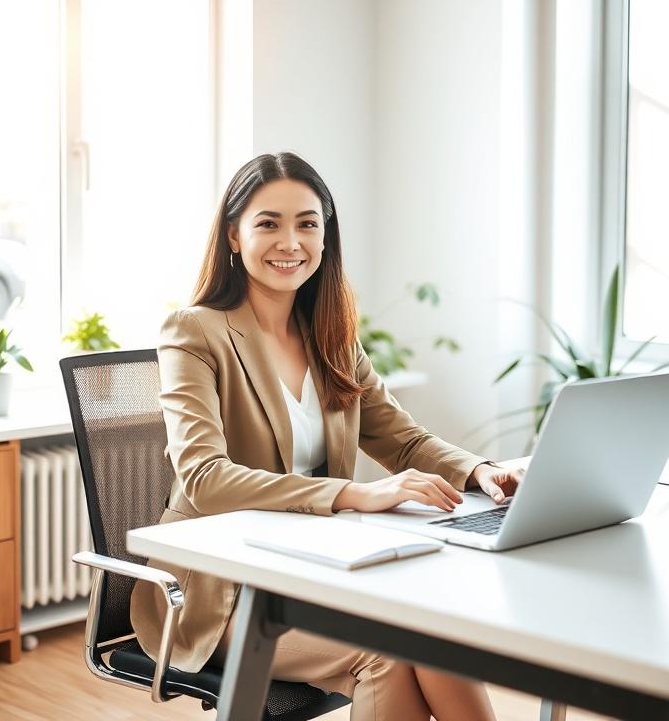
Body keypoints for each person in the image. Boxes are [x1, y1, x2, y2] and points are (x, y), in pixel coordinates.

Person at [131, 152, 524, 721]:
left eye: (307, 224)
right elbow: (203, 478)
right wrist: (352, 494)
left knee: (436, 631)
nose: (290, 241)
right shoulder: (195, 331)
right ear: (234, 238)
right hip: (220, 591)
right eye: (268, 223)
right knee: (387, 653)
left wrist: (479, 472)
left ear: (325, 237)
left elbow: (402, 440)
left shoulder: (331, 337)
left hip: (314, 566)